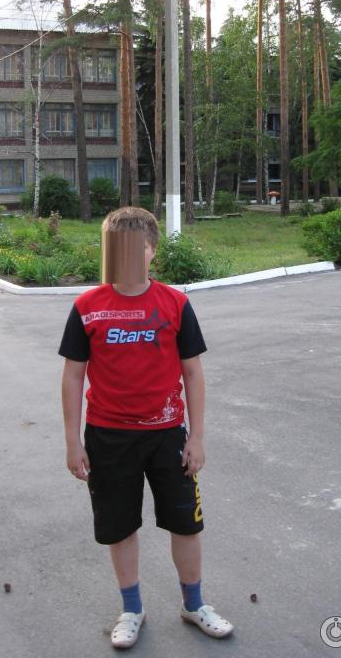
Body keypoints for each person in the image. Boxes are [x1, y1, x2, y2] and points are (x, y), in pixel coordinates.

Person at [59, 206, 234, 649]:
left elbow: (193, 372)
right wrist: (72, 442)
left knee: (186, 524)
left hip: (168, 435)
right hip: (107, 437)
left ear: (152, 250)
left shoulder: (175, 304)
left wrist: (197, 436)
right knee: (119, 527)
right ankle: (131, 609)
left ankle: (194, 604)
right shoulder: (87, 308)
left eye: (135, 249)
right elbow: (73, 376)